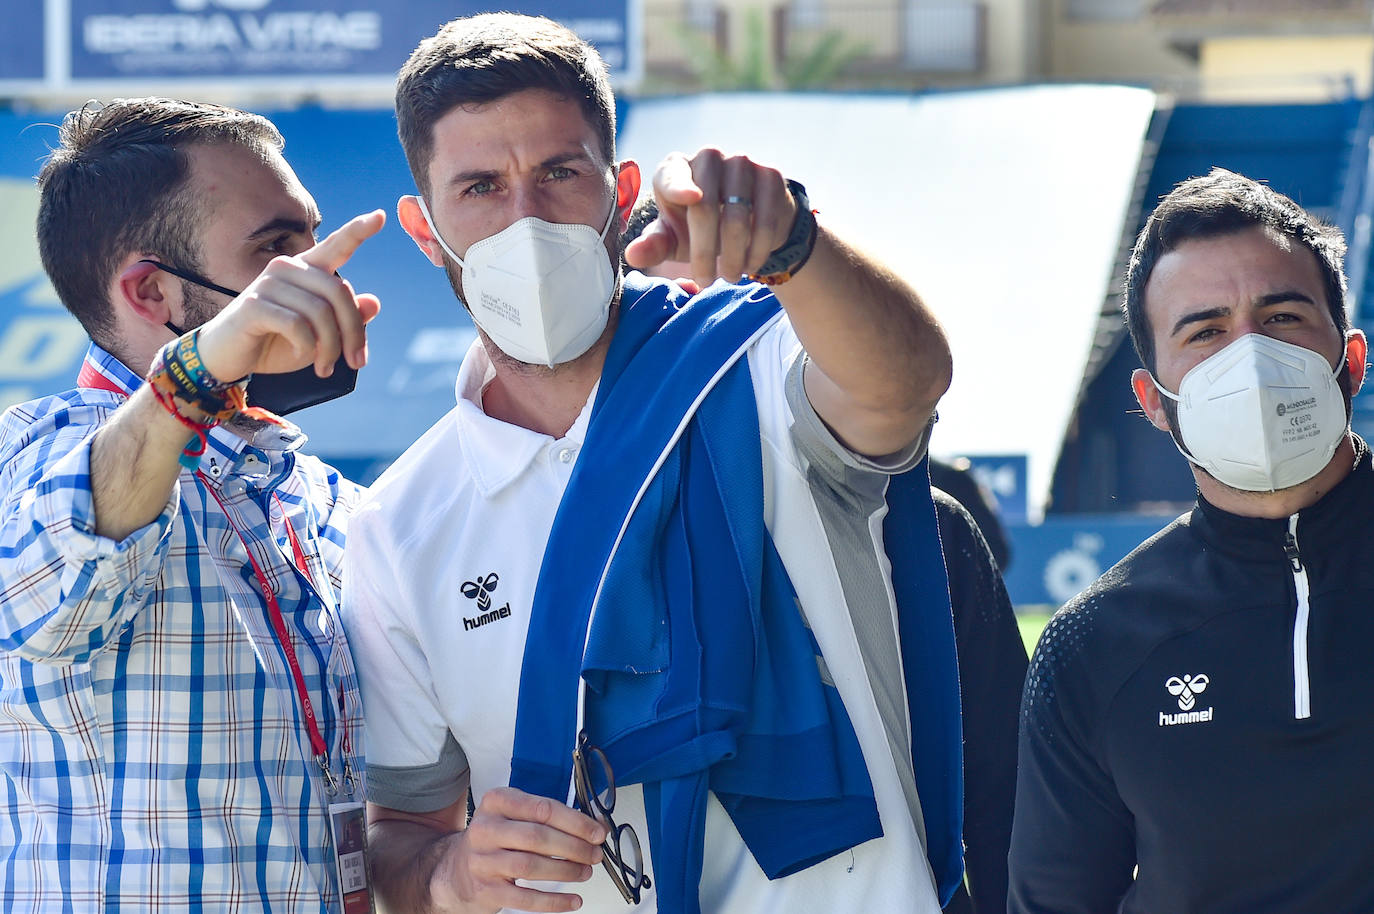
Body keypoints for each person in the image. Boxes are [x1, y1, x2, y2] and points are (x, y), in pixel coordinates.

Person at [342, 12, 964, 914]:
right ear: (424, 226)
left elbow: (906, 384)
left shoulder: (761, 361)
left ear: (619, 187)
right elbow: (400, 824)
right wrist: (448, 874)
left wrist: (793, 245)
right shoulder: (400, 525)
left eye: (558, 173)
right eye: (479, 187)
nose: (524, 219)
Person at [0, 97, 386, 911]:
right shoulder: (40, 448)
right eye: (276, 249)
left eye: (310, 239)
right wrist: (197, 376)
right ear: (152, 294)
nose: (318, 273)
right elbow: (52, 586)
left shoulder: (311, 492)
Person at [623, 196, 1023, 914]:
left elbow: (1005, 791)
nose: (709, 341)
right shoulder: (580, 554)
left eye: (738, 302)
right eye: (677, 310)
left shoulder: (929, 525)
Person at [1009, 168, 1374, 912]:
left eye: (1283, 318)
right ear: (1154, 404)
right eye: (1206, 332)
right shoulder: (1095, 646)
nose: (1249, 360)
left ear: (1353, 362)